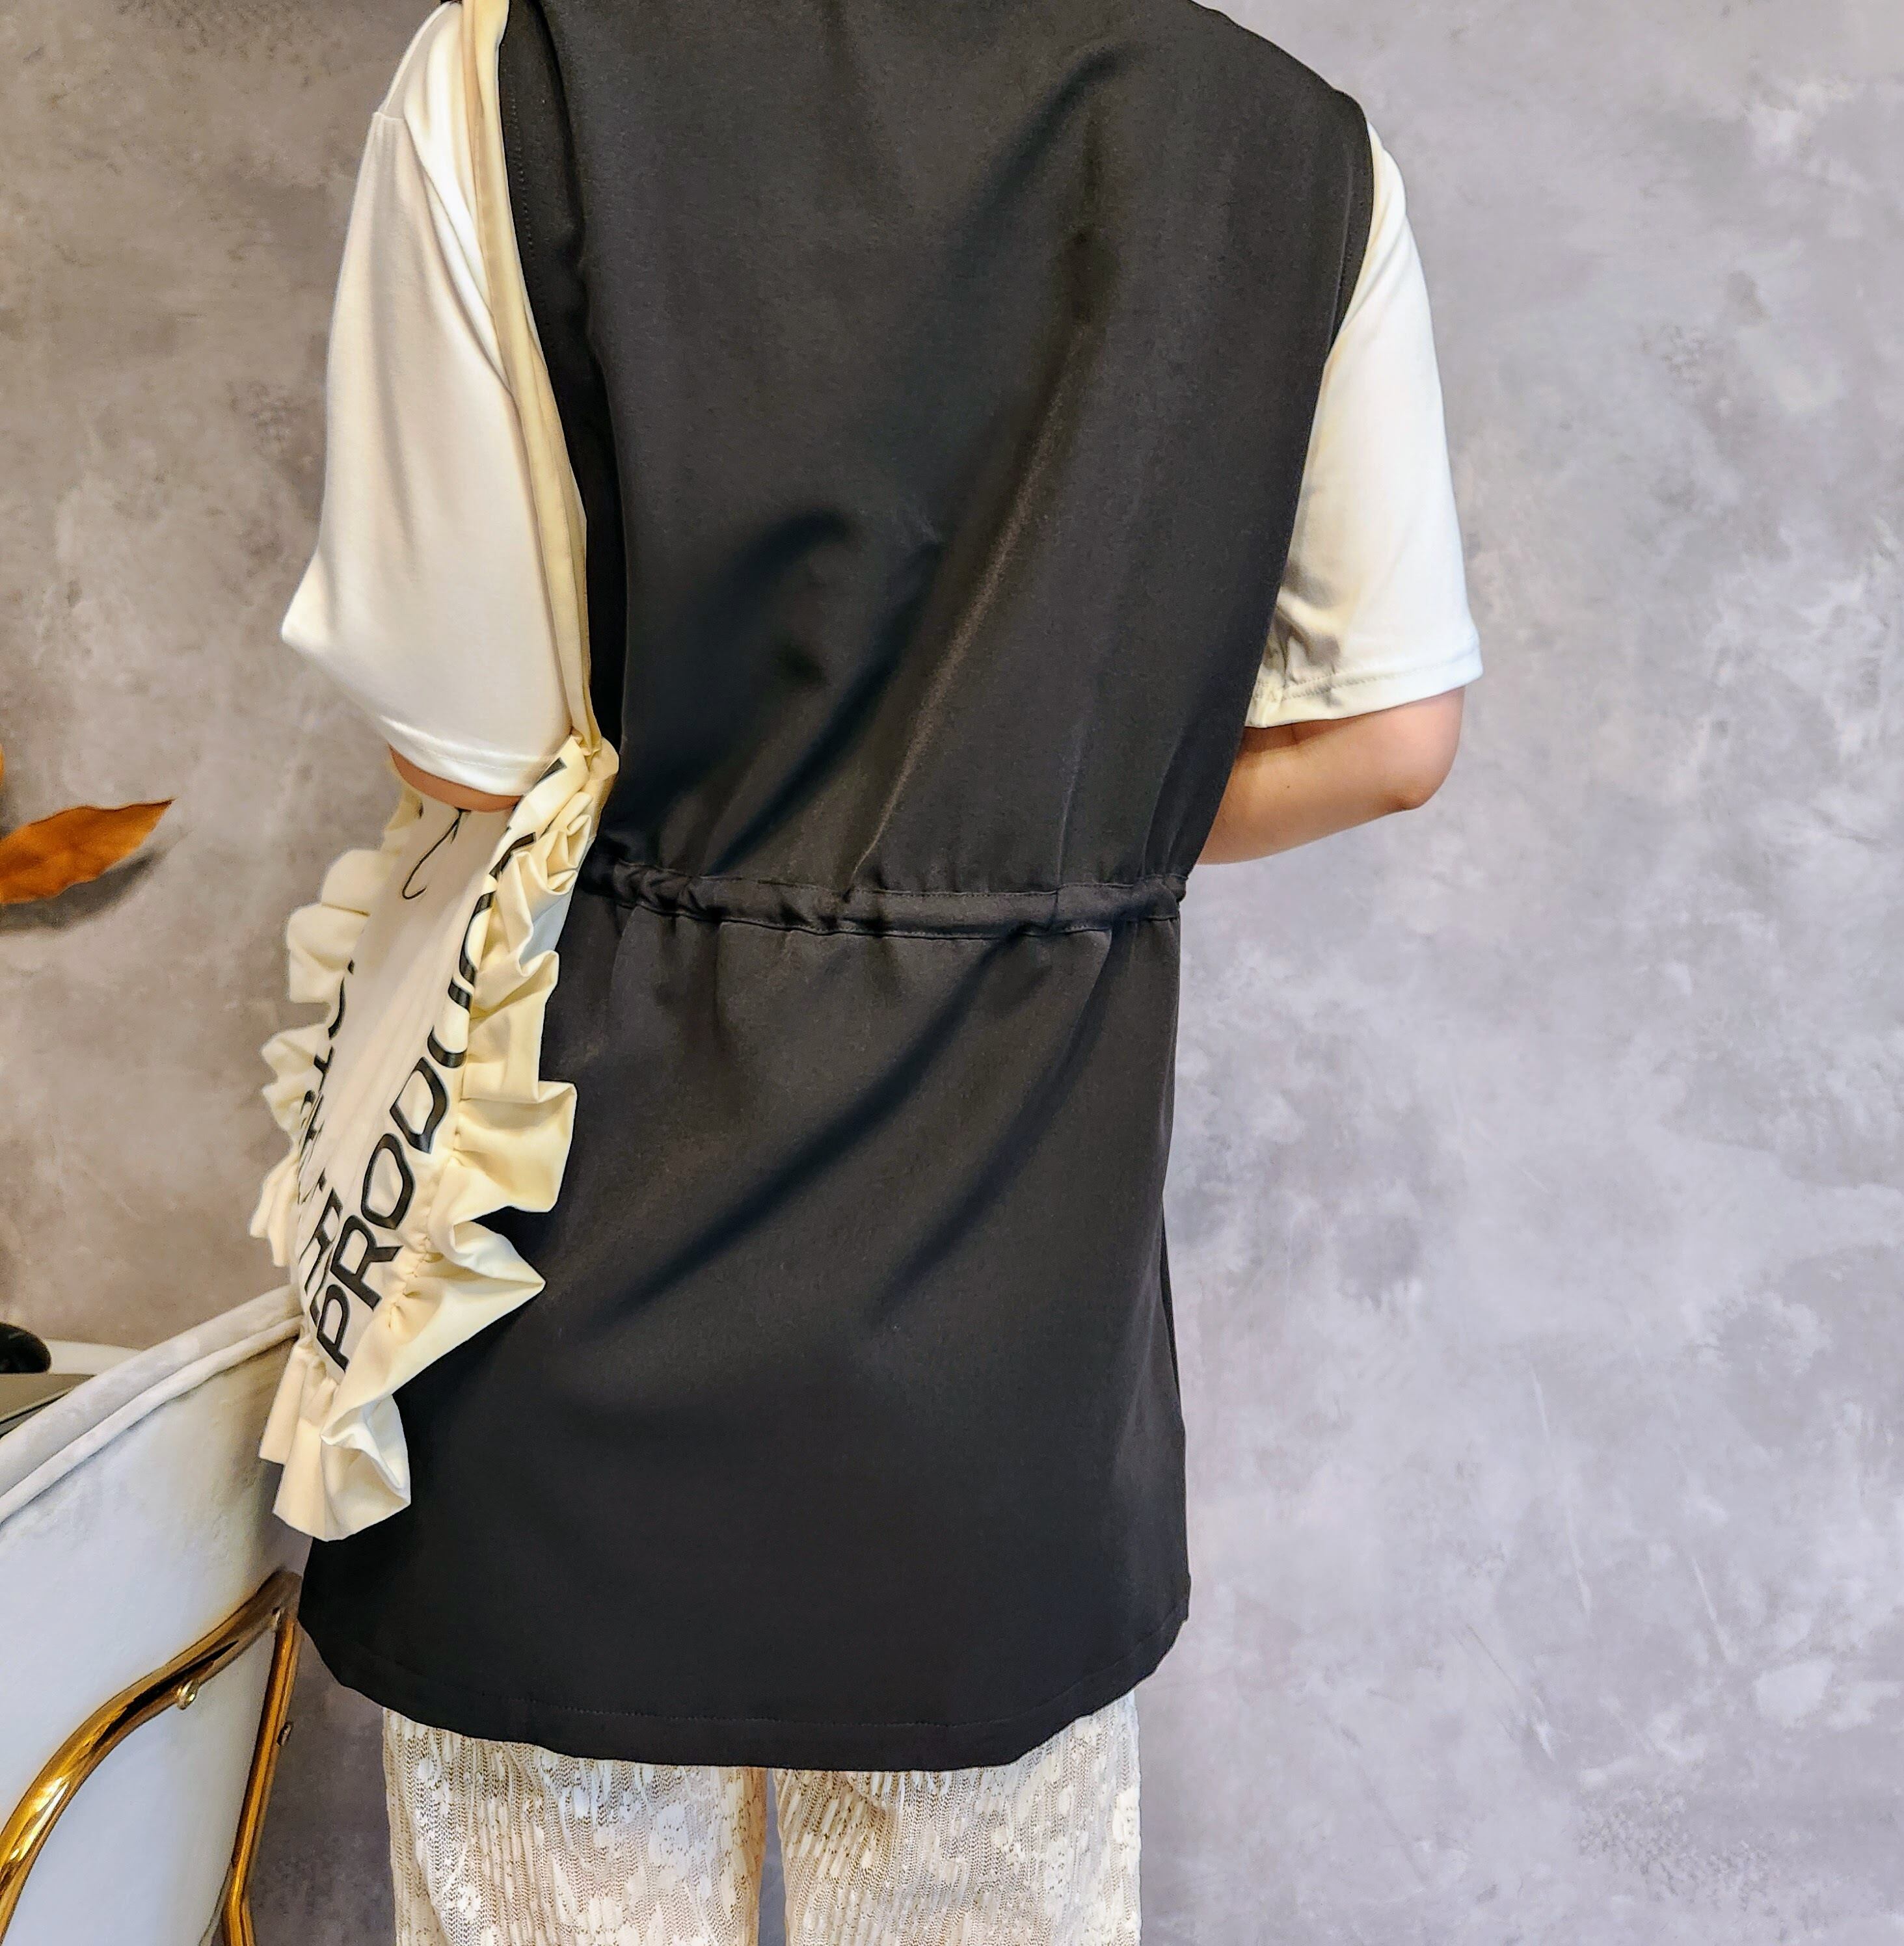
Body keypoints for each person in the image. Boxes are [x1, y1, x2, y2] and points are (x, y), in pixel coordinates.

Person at [274, 0, 1481, 1938]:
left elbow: (476, 754)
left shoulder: (516, 61)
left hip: (570, 1242)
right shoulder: (1295, 148)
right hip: (1007, 1306)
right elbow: (1390, 738)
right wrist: (1035, 846)